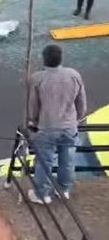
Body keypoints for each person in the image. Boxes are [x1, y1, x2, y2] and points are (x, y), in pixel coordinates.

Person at [27, 44, 86, 204]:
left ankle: (42, 194)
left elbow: (33, 106)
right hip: (69, 126)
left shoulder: (37, 78)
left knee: (45, 162)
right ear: (61, 58)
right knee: (67, 160)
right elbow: (81, 103)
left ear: (44, 59)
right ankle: (64, 189)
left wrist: (32, 121)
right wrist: (77, 118)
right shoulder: (74, 75)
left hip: (46, 127)